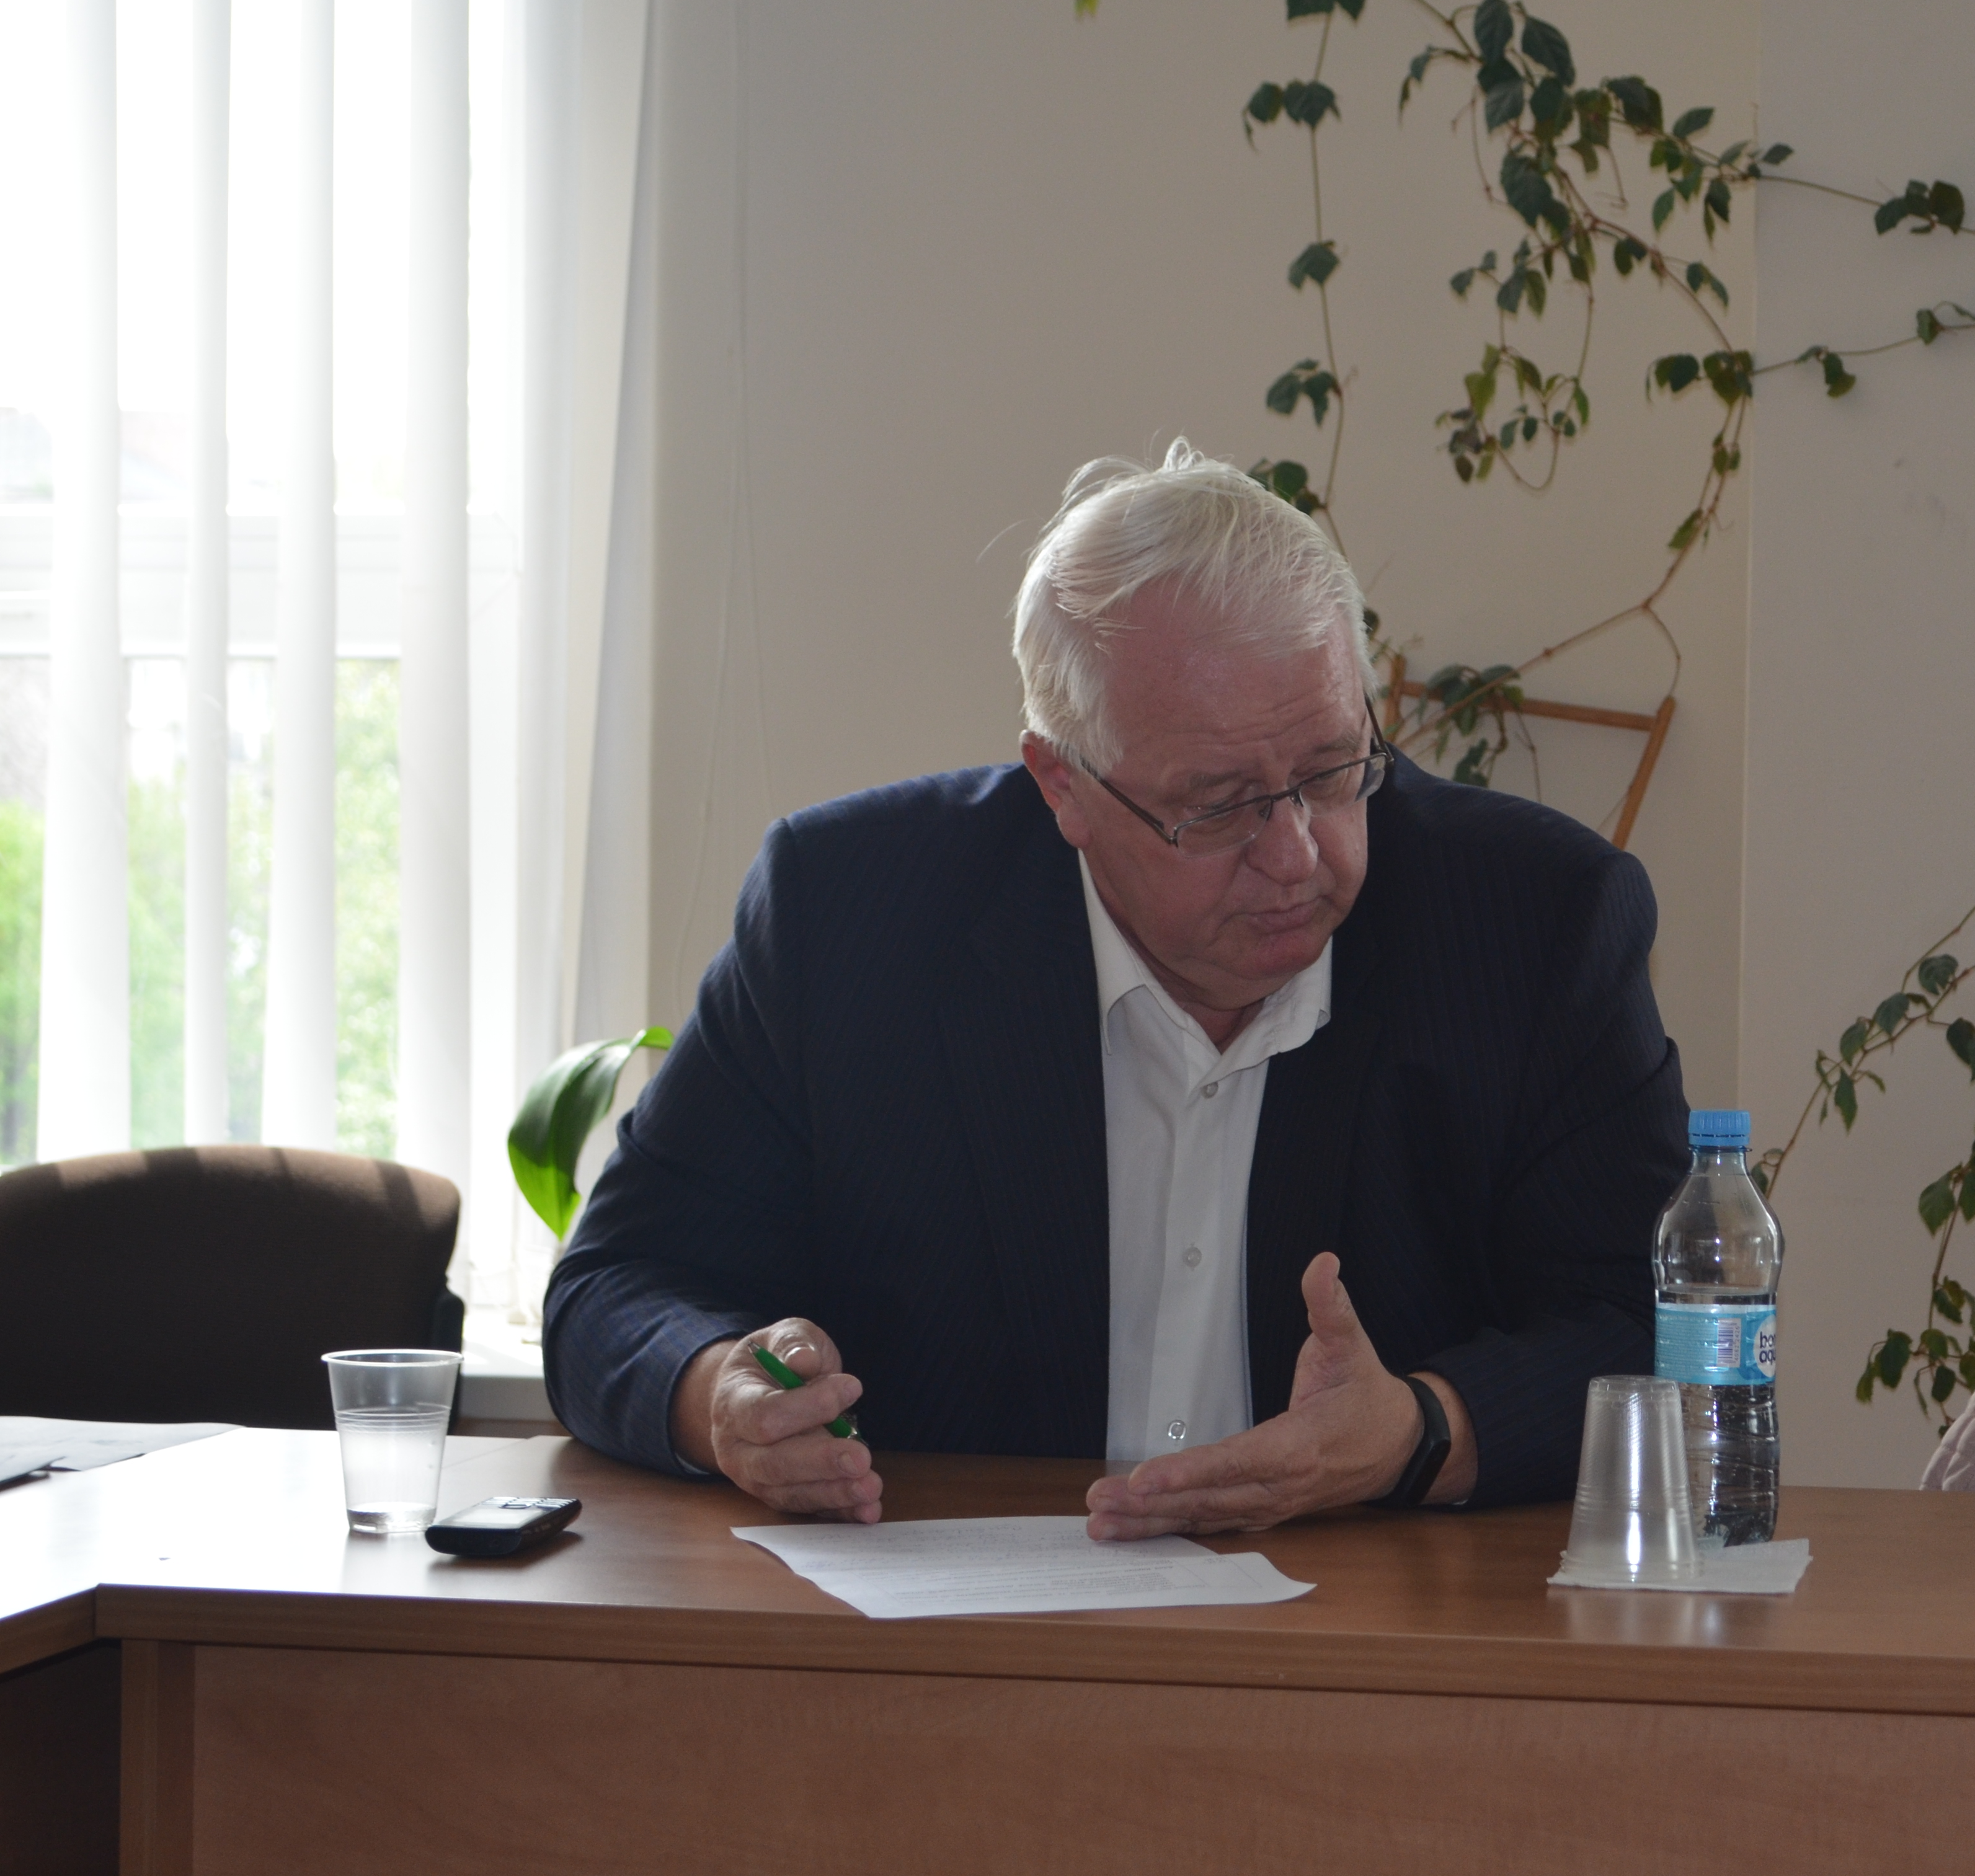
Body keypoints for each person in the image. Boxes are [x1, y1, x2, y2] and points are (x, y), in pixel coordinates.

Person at [544, 441, 1687, 1536]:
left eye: (1333, 771)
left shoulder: (1534, 923)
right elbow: (619, 1285)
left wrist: (1421, 1433)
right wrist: (724, 1400)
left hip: (1381, 1622)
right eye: (1219, 804)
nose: (1297, 853)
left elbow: (1657, 1328)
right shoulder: (849, 915)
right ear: (1063, 786)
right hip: (968, 1623)